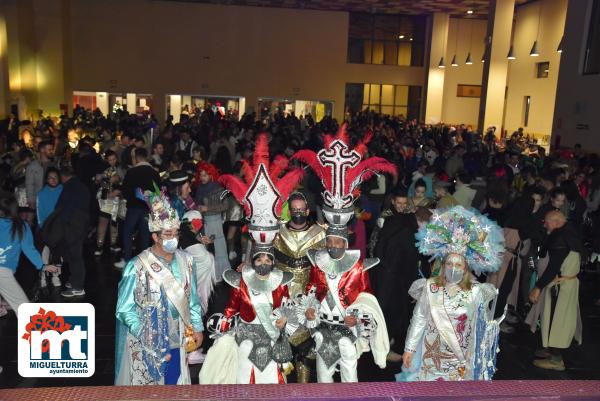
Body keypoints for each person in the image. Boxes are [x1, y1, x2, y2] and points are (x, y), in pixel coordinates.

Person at [399, 206, 504, 381]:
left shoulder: (476, 291)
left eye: (459, 265)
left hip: (461, 359)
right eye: (449, 264)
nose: (453, 268)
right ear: (443, 264)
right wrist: (409, 349)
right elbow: (419, 318)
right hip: (431, 356)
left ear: (466, 269)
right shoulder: (431, 287)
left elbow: (480, 328)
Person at [115, 187, 204, 385]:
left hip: (178, 333)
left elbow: (193, 299)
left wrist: (197, 326)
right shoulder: (136, 266)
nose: (174, 239)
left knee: (174, 382)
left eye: (176, 234)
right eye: (168, 234)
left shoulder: (187, 261)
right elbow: (124, 309)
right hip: (146, 338)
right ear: (155, 236)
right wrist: (146, 334)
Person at [272, 191, 326, 382]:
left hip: (308, 289)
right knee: (282, 335)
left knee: (307, 341)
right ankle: (281, 386)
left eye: (301, 210)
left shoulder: (319, 233)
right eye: (294, 210)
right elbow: (265, 257)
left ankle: (303, 387)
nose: (297, 213)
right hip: (282, 289)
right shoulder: (278, 233)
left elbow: (325, 264)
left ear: (307, 210)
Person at [528, 210, 583, 371]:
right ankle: (550, 349)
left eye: (547, 221)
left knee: (556, 320)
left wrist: (538, 287)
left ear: (557, 221)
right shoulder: (569, 231)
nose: (545, 224)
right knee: (554, 318)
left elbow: (553, 267)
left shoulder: (561, 237)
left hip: (561, 285)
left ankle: (556, 359)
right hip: (566, 283)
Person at [373, 190, 420, 361]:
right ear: (393, 201)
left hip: (402, 272)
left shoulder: (410, 219)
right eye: (398, 203)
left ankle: (388, 342)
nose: (401, 206)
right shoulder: (385, 218)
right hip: (388, 271)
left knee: (398, 308)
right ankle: (383, 348)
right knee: (386, 308)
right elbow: (378, 245)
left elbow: (413, 247)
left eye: (403, 203)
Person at [0, 193, 59, 312]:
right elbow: (29, 250)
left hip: (3, 272)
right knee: (25, 310)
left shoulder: (20, 226)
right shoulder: (22, 226)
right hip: (2, 272)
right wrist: (43, 265)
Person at [115, 147, 161, 269]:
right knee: (145, 234)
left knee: (127, 232)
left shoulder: (131, 172)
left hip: (134, 208)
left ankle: (127, 260)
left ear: (136, 157)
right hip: (148, 208)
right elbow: (158, 191)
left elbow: (125, 190)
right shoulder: (154, 173)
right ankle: (145, 261)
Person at [56, 166, 90, 297]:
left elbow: (64, 207)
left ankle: (78, 286)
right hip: (81, 224)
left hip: (73, 225)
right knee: (74, 254)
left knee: (74, 255)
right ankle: (75, 280)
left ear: (63, 177)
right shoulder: (81, 186)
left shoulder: (69, 187)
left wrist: (61, 224)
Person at [36, 167, 63, 288]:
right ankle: (43, 276)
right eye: (50, 178)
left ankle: (55, 276)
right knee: (44, 252)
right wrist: (42, 227)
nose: (53, 180)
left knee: (58, 252)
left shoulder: (63, 190)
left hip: (59, 227)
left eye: (55, 177)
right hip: (46, 227)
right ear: (46, 179)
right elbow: (39, 212)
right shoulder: (41, 194)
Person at [95, 150, 125, 256]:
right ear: (106, 160)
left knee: (114, 222)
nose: (112, 161)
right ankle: (99, 245)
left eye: (114, 159)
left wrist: (118, 189)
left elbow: (124, 183)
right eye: (110, 159)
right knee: (103, 222)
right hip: (105, 198)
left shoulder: (121, 169)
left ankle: (113, 244)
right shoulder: (104, 170)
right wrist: (102, 180)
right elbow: (99, 183)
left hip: (117, 199)